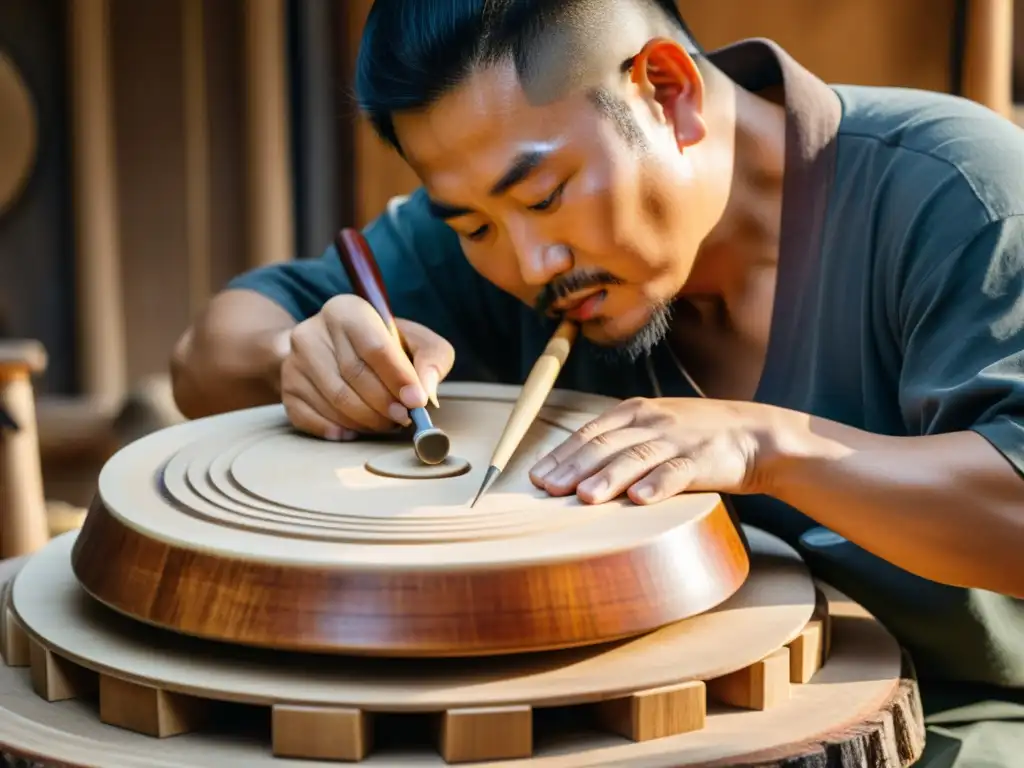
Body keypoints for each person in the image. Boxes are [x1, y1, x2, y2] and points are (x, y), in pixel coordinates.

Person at [171, 0, 1024, 763]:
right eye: (472, 223)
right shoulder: (510, 252)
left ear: (668, 90)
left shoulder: (959, 192)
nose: (528, 263)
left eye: (547, 196)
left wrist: (772, 445)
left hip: (965, 719)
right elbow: (205, 362)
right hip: (644, 728)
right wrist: (301, 358)